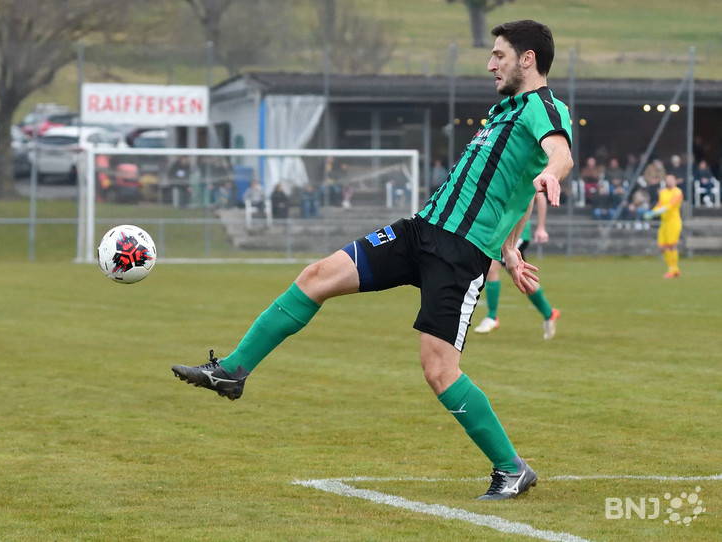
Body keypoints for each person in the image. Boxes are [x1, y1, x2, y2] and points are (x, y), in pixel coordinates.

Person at [171, 20, 573, 501]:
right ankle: (233, 371)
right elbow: (519, 181)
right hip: (420, 230)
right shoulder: (504, 109)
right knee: (316, 276)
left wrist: (552, 174)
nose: (490, 63)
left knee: (439, 370)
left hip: (459, 254)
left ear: (527, 59)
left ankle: (512, 468)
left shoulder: (544, 108)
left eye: (499, 55)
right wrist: (511, 245)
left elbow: (557, 156)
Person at [474, 193, 560, 340]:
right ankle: (549, 313)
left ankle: (492, 317)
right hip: (503, 230)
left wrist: (541, 227)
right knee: (522, 277)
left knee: (492, 267)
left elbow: (539, 196)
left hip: (516, 233)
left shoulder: (526, 171)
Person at [644, 173, 683, 278]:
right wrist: (652, 212)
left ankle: (672, 269)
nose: (669, 181)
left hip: (673, 222)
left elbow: (670, 206)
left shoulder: (678, 192)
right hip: (664, 223)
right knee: (661, 247)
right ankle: (675, 269)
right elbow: (659, 205)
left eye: (671, 180)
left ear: (675, 181)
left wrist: (655, 213)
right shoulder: (663, 192)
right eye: (668, 180)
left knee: (671, 246)